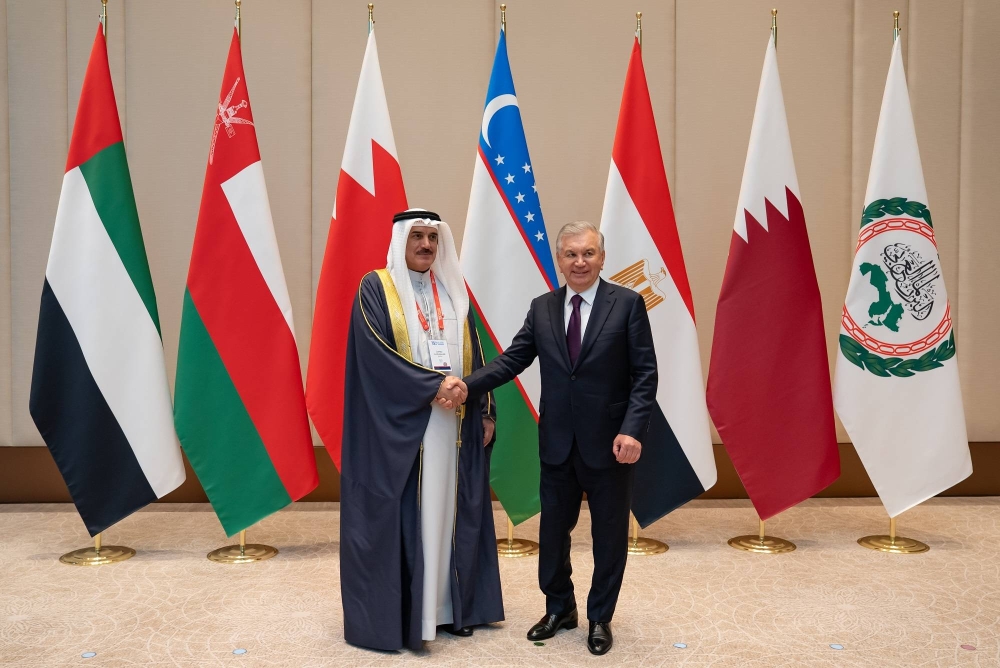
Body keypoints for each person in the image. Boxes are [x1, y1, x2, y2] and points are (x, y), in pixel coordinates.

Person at [444, 221, 656, 656]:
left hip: (611, 445)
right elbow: (513, 359)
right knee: (554, 535)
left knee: (608, 536)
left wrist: (632, 429)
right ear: (558, 259)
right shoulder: (542, 307)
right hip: (558, 442)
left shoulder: (628, 304)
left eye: (588, 253)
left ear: (602, 258)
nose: (580, 262)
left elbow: (645, 375)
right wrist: (468, 385)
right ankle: (560, 608)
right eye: (571, 254)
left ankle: (600, 617)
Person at [340, 209, 503, 651]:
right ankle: (416, 615)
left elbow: (477, 356)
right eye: (417, 236)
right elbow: (375, 354)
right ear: (401, 241)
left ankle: (451, 610)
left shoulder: (453, 291)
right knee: (417, 515)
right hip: (404, 428)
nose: (426, 245)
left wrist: (486, 410)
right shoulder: (376, 287)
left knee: (451, 513)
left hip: (456, 424)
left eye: (432, 238)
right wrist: (432, 386)